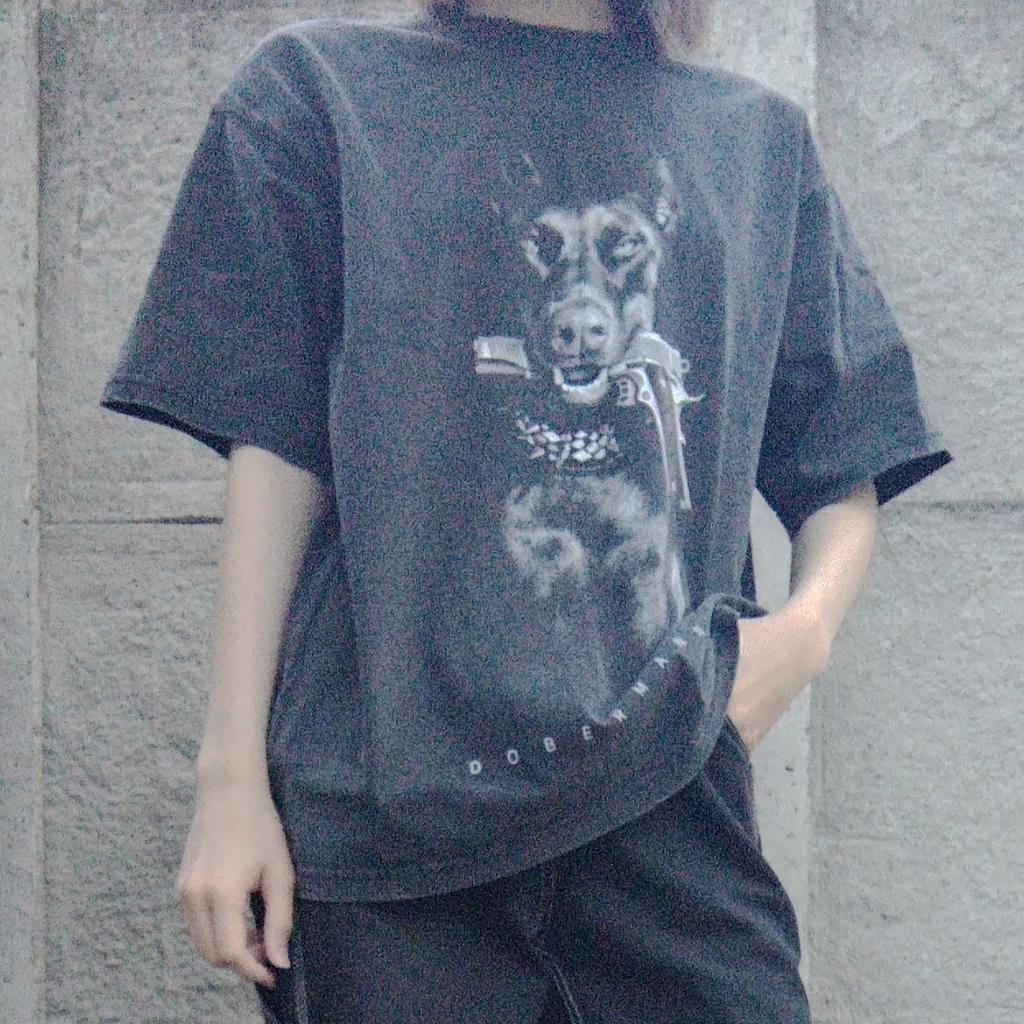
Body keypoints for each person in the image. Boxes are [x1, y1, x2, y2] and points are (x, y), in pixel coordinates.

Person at [100, 0, 952, 1020]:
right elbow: (274, 440)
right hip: (387, 829)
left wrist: (801, 637)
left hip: (672, 807)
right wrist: (229, 780)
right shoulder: (322, 96)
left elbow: (844, 445)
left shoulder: (753, 142)